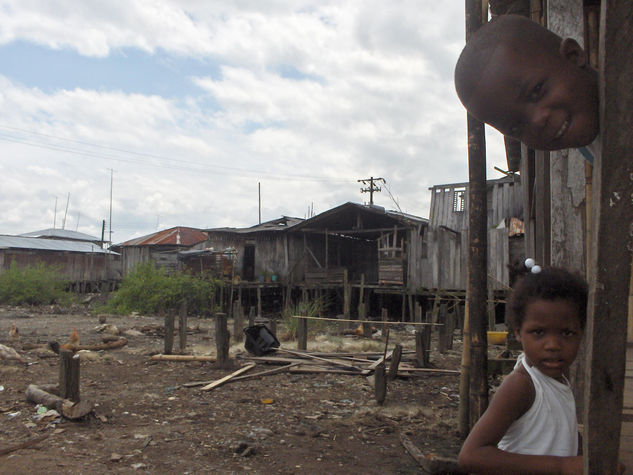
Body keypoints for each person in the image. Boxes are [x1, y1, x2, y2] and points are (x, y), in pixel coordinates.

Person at [458, 265, 587, 474]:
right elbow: (471, 455)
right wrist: (561, 466)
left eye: (567, 333)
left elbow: (561, 430)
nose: (553, 344)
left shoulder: (559, 380)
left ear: (581, 333)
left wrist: (589, 459)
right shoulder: (521, 386)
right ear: (518, 333)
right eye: (538, 332)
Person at [454, 14, 599, 152]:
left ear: (572, 56)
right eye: (516, 127)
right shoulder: (592, 149)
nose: (537, 122)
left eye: (536, 91)